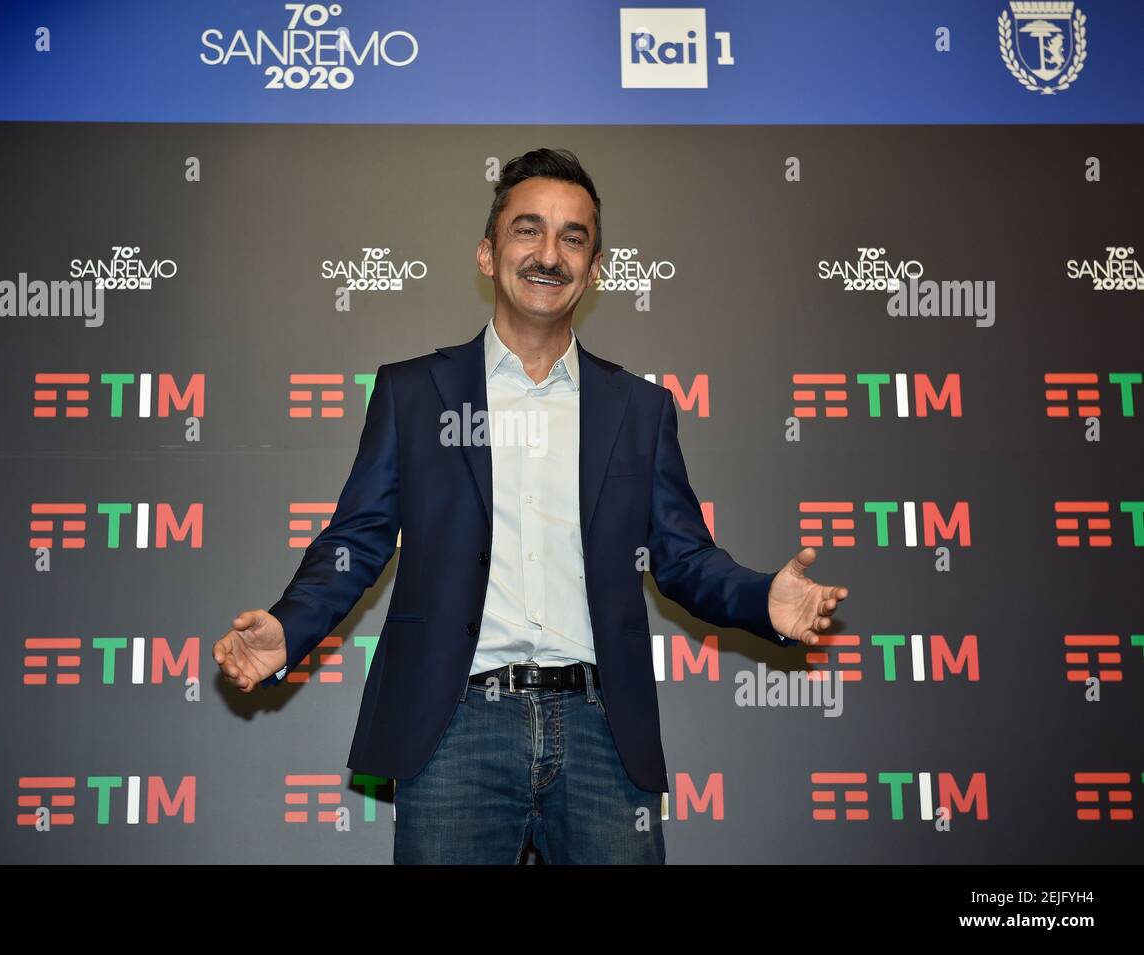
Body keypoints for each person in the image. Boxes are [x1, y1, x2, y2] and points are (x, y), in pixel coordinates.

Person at [213, 147, 850, 863]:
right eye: (528, 230)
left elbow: (681, 556)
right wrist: (287, 628)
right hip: (454, 728)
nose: (550, 253)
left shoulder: (639, 410)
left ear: (596, 268)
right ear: (488, 254)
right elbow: (357, 540)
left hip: (603, 732)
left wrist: (762, 598)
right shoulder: (414, 393)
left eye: (573, 237)